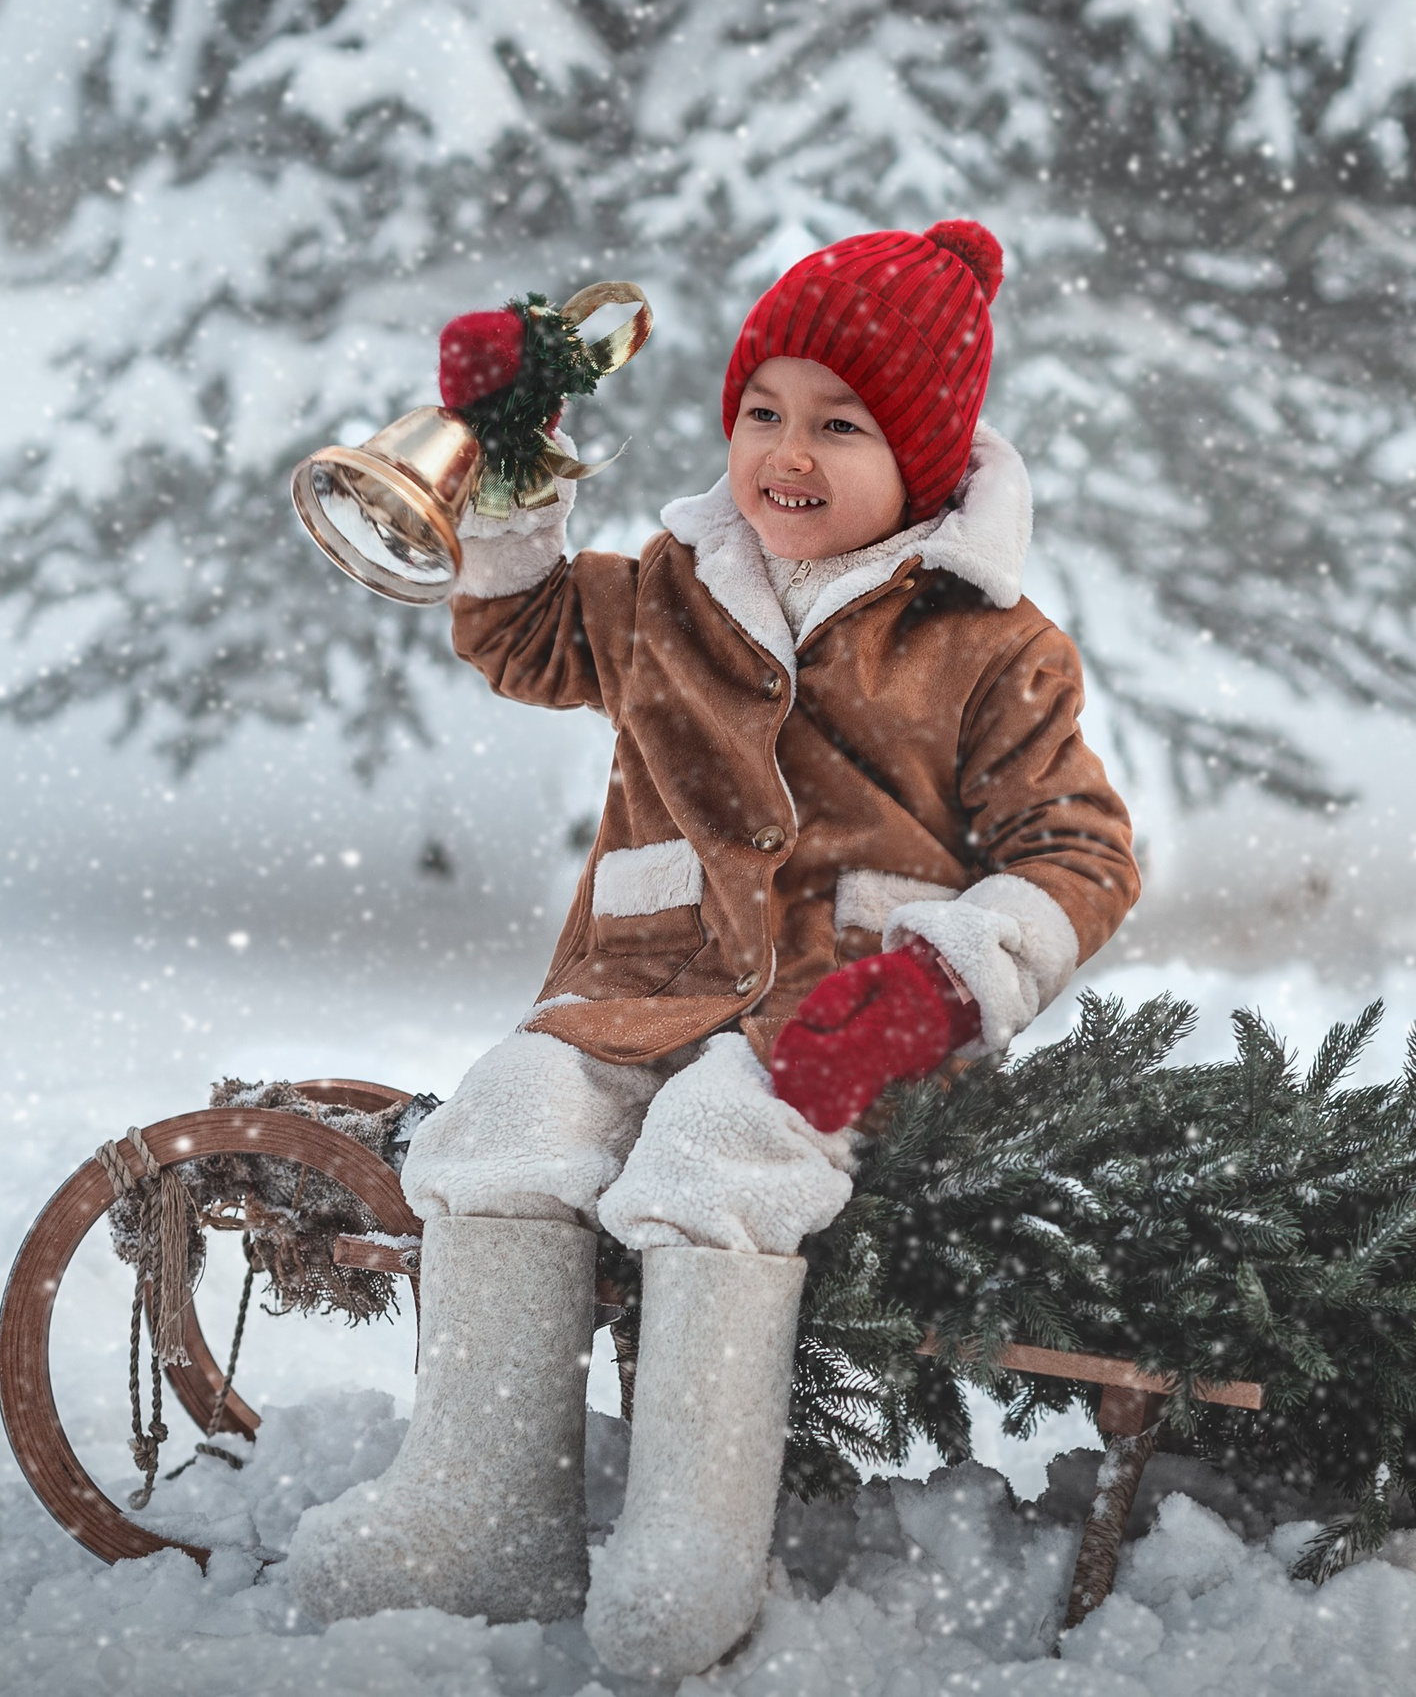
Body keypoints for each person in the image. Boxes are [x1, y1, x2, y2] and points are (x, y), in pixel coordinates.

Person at [287, 220, 1139, 1678]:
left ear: (927, 456)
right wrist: (503, 467)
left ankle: (693, 1536)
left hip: (845, 1019)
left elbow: (1082, 854)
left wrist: (940, 982)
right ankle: (484, 1509)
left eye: (840, 425)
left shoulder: (989, 644)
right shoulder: (675, 589)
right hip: (640, 984)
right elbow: (525, 637)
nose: (784, 452)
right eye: (761, 412)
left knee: (714, 1144)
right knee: (506, 1115)